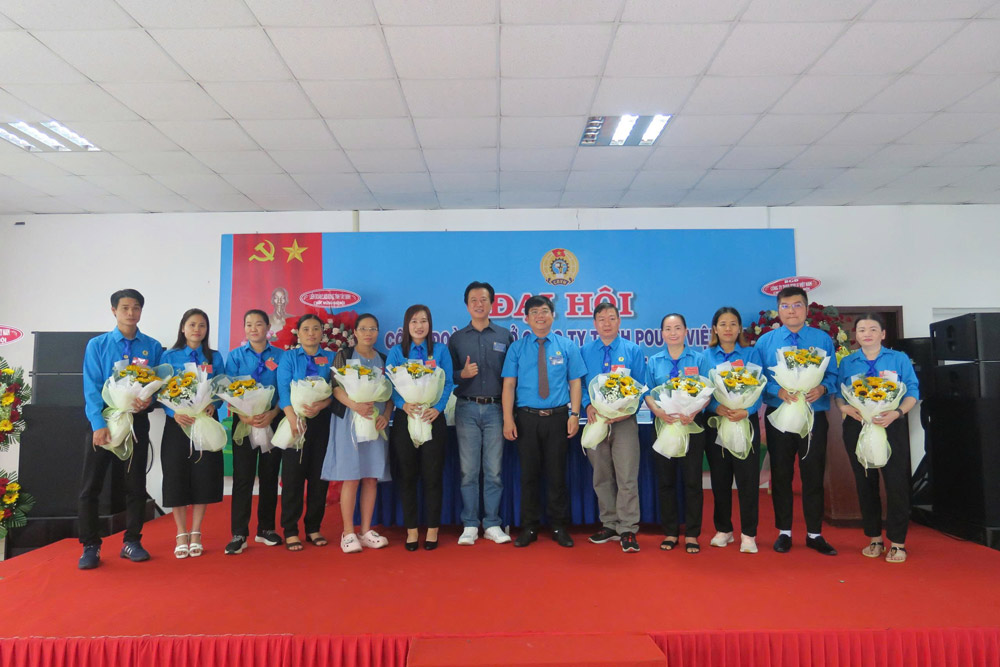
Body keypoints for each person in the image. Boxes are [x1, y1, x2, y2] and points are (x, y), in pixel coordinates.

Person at [78, 289, 163, 570]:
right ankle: (90, 546)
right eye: (125, 307)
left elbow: (159, 387)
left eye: (136, 307)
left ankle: (132, 541)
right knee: (91, 487)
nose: (130, 313)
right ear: (114, 310)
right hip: (103, 421)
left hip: (136, 423)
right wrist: (98, 425)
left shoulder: (152, 346)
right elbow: (91, 387)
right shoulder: (98, 345)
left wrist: (149, 401)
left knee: (135, 486)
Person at [751, 286, 838, 555]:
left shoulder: (822, 339)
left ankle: (814, 534)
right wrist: (776, 390)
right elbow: (757, 379)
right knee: (781, 474)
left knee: (813, 473)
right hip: (780, 415)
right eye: (786, 306)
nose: (792, 311)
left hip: (813, 415)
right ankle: (784, 532)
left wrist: (822, 388)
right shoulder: (765, 342)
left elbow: (833, 375)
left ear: (806, 309)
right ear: (778, 310)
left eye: (797, 305)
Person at [501, 295, 586, 548]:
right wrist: (508, 419)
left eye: (545, 311)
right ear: (526, 318)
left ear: (553, 315)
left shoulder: (567, 346)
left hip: (558, 418)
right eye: (535, 312)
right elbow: (509, 385)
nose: (540, 316)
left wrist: (574, 415)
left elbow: (575, 383)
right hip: (526, 419)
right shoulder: (517, 348)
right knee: (529, 475)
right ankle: (529, 527)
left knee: (557, 474)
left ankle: (559, 526)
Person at [835, 313, 920, 563]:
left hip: (890, 425)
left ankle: (898, 543)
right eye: (862, 330)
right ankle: (874, 538)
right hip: (858, 427)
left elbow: (912, 390)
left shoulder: (898, 358)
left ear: (883, 334)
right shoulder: (848, 362)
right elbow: (839, 393)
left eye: (873, 329)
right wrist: (844, 407)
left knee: (896, 484)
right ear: (856, 335)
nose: (867, 334)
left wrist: (897, 413)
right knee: (865, 483)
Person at [449, 281, 514, 546]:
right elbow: (446, 376)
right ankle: (470, 524)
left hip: (496, 409)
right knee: (468, 471)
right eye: (474, 300)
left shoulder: (504, 336)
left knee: (494, 471)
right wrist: (461, 374)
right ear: (467, 305)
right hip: (466, 408)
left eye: (484, 299)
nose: (479, 304)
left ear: (492, 303)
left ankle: (492, 524)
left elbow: (512, 377)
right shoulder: (456, 339)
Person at [580, 302, 647, 553]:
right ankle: (609, 524)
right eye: (601, 319)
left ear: (619, 321)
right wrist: (587, 404)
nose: (606, 323)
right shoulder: (585, 351)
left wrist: (627, 410)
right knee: (602, 475)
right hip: (596, 421)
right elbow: (578, 383)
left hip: (624, 422)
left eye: (611, 318)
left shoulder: (633, 350)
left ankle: (628, 528)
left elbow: (641, 386)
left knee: (626, 475)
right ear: (594, 324)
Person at [321, 313, 392, 554]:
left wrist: (386, 415)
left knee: (371, 477)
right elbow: (336, 388)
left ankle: (367, 530)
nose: (368, 333)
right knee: (351, 476)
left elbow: (390, 394)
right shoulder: (345, 355)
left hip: (375, 423)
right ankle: (348, 532)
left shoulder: (383, 359)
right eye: (363, 329)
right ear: (355, 332)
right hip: (349, 422)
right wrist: (355, 406)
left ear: (378, 332)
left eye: (373, 329)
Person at [386, 305, 455, 551]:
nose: (419, 326)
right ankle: (412, 530)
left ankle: (433, 529)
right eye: (414, 321)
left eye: (423, 321)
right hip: (405, 419)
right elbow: (390, 384)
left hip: (432, 418)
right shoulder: (397, 352)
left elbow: (448, 383)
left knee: (432, 475)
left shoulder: (441, 350)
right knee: (407, 476)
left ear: (430, 324)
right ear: (407, 325)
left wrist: (438, 408)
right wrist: (403, 404)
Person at [160, 308, 226, 559]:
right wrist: (173, 412)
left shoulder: (214, 356)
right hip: (178, 424)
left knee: (204, 476)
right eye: (192, 324)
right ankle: (180, 532)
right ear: (183, 328)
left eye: (202, 325)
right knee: (176, 476)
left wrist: (214, 404)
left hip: (205, 422)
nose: (197, 329)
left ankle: (196, 531)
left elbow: (221, 387)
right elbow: (159, 391)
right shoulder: (169, 356)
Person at [699, 307, 763, 554]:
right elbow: (702, 392)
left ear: (739, 328)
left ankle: (749, 533)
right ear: (715, 329)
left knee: (748, 480)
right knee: (720, 479)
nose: (728, 328)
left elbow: (760, 387)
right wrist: (716, 407)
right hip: (717, 422)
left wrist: (747, 410)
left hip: (745, 421)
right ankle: (724, 529)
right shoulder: (705, 357)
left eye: (733, 323)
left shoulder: (751, 353)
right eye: (723, 324)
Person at [223, 309, 284, 555]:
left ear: (268, 327)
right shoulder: (235, 356)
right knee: (243, 477)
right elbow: (228, 389)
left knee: (269, 476)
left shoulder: (280, 355)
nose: (253, 328)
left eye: (259, 324)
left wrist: (273, 413)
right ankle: (239, 533)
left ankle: (266, 529)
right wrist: (244, 415)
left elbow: (285, 389)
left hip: (272, 419)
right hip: (243, 420)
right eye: (248, 324)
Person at [646, 313, 706, 554]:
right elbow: (647, 392)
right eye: (668, 329)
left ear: (686, 331)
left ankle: (692, 533)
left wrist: (694, 410)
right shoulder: (654, 361)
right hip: (664, 425)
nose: (673, 333)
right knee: (666, 481)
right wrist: (658, 412)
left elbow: (708, 391)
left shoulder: (699, 358)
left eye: (678, 328)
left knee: (692, 481)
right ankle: (670, 531)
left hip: (691, 425)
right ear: (662, 333)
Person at [276, 313, 335, 551]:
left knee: (319, 478)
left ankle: (313, 528)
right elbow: (283, 389)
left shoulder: (331, 357)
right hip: (295, 421)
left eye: (316, 329)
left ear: (322, 332)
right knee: (293, 478)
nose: (311, 333)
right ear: (298, 333)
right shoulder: (289, 357)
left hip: (322, 422)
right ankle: (290, 530)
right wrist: (292, 418)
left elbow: (337, 389)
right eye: (306, 329)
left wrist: (322, 404)